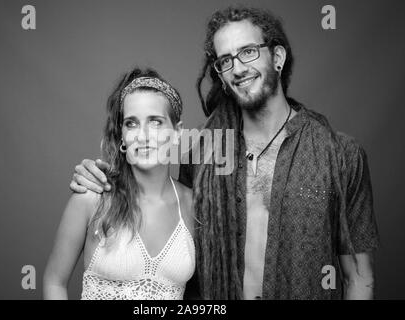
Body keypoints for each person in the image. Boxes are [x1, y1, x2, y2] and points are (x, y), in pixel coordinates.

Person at [69, 6, 379, 300]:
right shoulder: (201, 158)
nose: (238, 68)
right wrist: (103, 178)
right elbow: (174, 257)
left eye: (248, 51)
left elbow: (359, 278)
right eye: (225, 60)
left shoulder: (341, 156)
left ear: (278, 57)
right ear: (220, 73)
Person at [43, 68, 195, 299]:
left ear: (177, 132)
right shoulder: (92, 197)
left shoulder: (194, 205)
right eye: (131, 123)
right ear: (122, 136)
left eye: (155, 122)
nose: (142, 136)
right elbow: (54, 281)